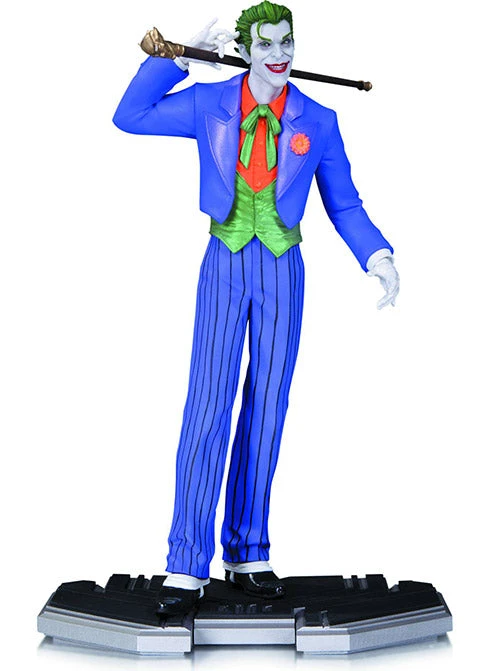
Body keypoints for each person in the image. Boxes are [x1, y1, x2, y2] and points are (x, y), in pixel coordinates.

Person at [113, 1, 399, 616]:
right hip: (224, 260)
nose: (279, 54)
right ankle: (186, 560)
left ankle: (248, 550)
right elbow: (129, 116)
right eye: (266, 43)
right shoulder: (207, 104)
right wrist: (175, 60)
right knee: (208, 404)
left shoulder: (318, 119)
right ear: (244, 50)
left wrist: (376, 255)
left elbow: (343, 202)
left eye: (287, 42)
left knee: (268, 407)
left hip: (282, 267)